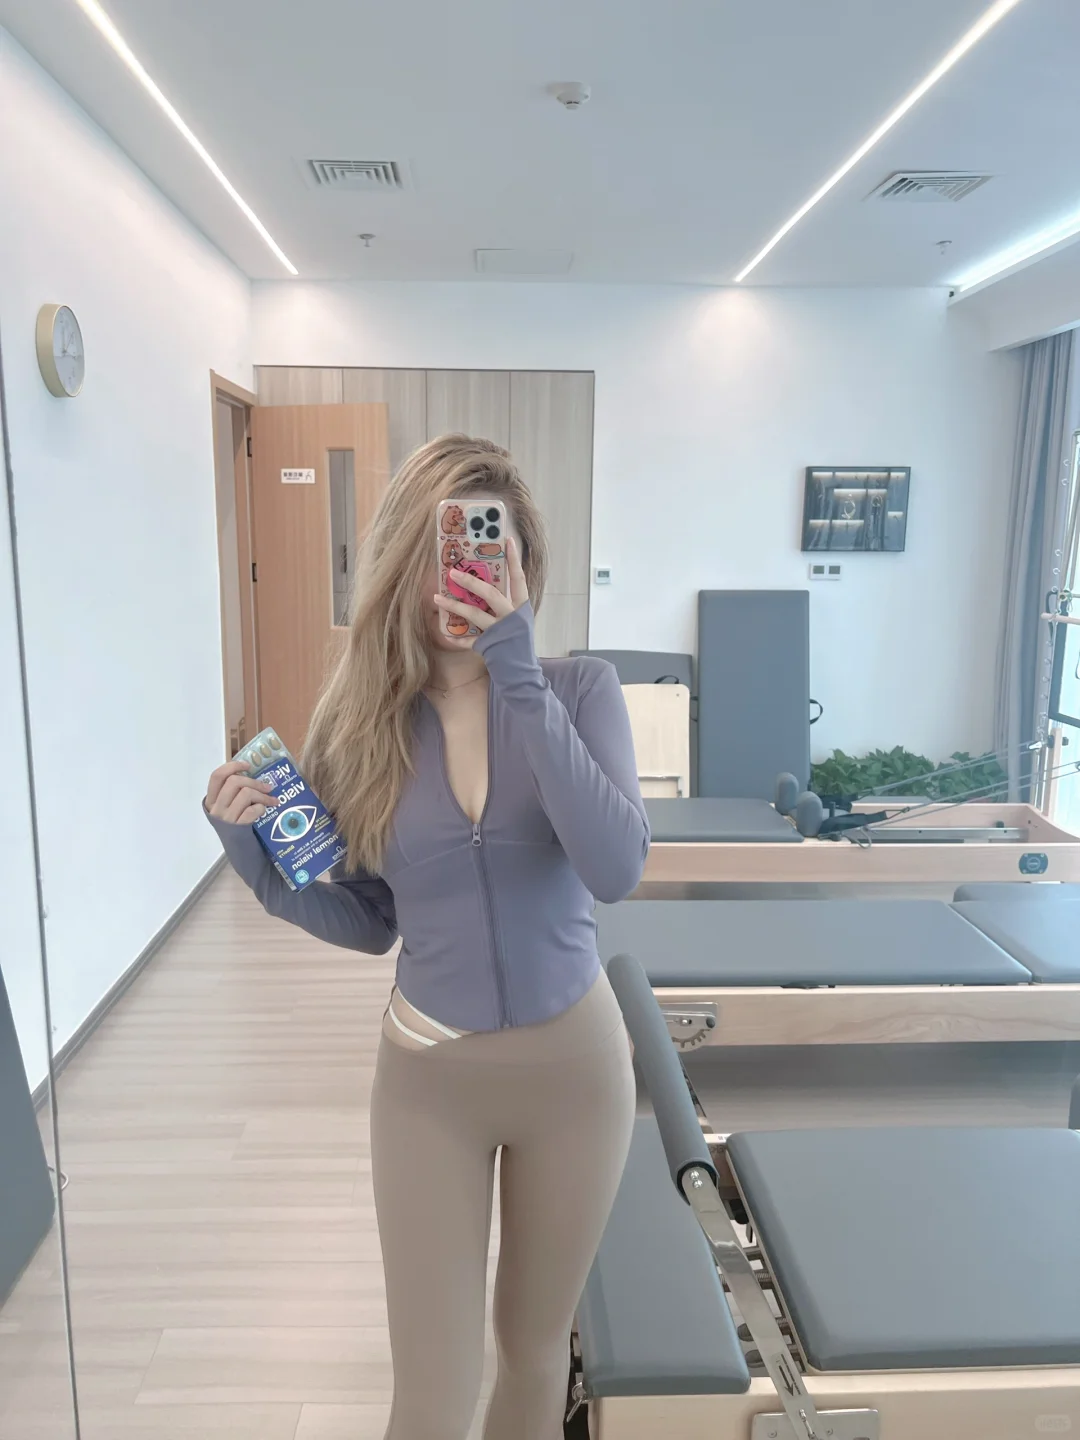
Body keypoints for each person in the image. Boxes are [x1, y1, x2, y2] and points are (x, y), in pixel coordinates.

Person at [204, 434, 649, 1440]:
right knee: (433, 1391)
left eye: (491, 552)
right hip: (428, 1086)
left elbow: (616, 867)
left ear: (523, 568)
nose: (466, 576)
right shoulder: (361, 726)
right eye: (445, 552)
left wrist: (516, 672)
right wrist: (261, 872)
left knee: (534, 1356)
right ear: (405, 564)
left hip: (577, 1076)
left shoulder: (580, 691)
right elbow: (371, 922)